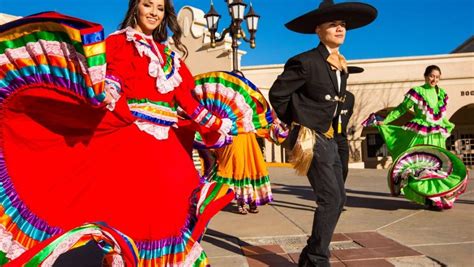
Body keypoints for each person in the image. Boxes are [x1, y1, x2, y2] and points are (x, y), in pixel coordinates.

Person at [0, 1, 234, 266]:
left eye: (159, 7)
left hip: (169, 148)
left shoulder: (170, 57)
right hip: (136, 143)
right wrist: (109, 90)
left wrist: (216, 123)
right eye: (148, 4)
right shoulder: (120, 43)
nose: (154, 12)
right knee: (141, 214)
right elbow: (113, 75)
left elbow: (188, 102)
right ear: (135, 7)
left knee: (173, 211)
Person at [269, 1, 377, 266]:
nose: (340, 29)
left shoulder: (339, 65)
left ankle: (310, 254)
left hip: (329, 138)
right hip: (310, 137)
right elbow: (278, 94)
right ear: (318, 30)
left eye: (343, 25)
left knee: (338, 198)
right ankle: (317, 259)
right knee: (330, 199)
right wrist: (297, 124)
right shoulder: (305, 61)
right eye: (333, 25)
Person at [369, 65, 467, 210]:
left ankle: (438, 196)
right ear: (425, 76)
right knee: (422, 166)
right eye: (432, 76)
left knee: (439, 166)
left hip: (436, 135)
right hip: (421, 134)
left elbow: (440, 116)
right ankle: (427, 198)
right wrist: (387, 120)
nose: (434, 79)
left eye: (437, 77)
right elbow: (402, 108)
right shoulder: (417, 92)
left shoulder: (442, 94)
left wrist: (445, 125)